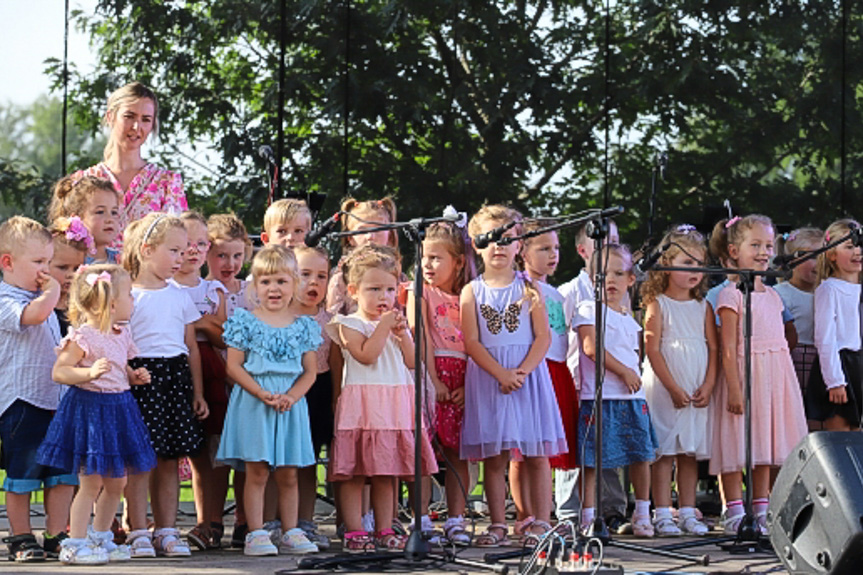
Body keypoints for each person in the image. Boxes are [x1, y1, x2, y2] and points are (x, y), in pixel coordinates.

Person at [36, 264, 157, 564]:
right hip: (91, 411)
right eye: (129, 294)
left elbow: (118, 368)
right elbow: (60, 371)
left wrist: (132, 376)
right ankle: (74, 543)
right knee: (91, 481)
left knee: (118, 481)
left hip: (119, 408)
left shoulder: (121, 333)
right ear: (111, 303)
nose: (133, 299)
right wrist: (88, 372)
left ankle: (100, 537)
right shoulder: (83, 338)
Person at [460, 205, 566, 548]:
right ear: (476, 244)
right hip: (491, 379)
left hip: (528, 378)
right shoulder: (471, 292)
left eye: (507, 240)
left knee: (536, 455)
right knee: (496, 457)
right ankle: (497, 522)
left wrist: (521, 372)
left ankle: (542, 522)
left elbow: (543, 337)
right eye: (489, 239)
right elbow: (472, 341)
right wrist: (500, 373)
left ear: (519, 244)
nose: (499, 247)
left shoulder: (529, 287)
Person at [326, 244, 438, 552]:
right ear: (353, 291)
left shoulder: (395, 324)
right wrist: (385, 328)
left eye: (389, 289)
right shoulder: (348, 324)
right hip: (362, 409)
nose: (383, 297)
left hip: (393, 408)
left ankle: (385, 526)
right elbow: (365, 355)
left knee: (387, 473)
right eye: (374, 289)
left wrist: (402, 336)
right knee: (354, 473)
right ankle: (354, 529)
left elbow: (413, 362)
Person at [217, 245, 323, 556]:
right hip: (255, 401)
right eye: (265, 282)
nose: (273, 289)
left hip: (290, 404)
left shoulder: (304, 325)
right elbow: (233, 365)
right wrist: (261, 392)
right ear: (255, 286)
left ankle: (291, 530)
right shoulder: (244, 321)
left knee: (289, 472)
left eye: (280, 281)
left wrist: (292, 396)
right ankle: (256, 531)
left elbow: (310, 372)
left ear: (294, 284)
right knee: (258, 470)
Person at [710, 214, 807, 535]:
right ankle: (734, 509)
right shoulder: (731, 295)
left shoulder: (774, 294)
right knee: (737, 440)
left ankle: (762, 506)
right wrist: (735, 390)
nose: (765, 251)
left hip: (774, 377)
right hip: (744, 374)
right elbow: (727, 348)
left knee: (766, 441)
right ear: (734, 251)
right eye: (756, 245)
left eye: (769, 245)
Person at [121, 212, 209, 557]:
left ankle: (167, 529)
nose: (182, 257)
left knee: (170, 459)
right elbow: (120, 342)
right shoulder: (128, 293)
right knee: (141, 459)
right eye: (173, 251)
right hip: (142, 380)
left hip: (175, 380)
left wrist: (198, 392)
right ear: (146, 249)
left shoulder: (179, 295)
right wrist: (128, 373)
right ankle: (139, 529)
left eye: (184, 250)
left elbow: (191, 348)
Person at [0, 216, 77, 562]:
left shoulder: (42, 296)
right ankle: (19, 536)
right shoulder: (7, 298)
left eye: (48, 262)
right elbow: (29, 317)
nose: (45, 270)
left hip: (54, 400)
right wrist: (54, 291)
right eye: (38, 262)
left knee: (60, 473)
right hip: (21, 401)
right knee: (24, 472)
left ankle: (56, 533)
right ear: (7, 262)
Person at [575, 244, 659, 538]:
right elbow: (591, 347)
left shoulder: (628, 317)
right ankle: (588, 517)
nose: (609, 280)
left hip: (632, 399)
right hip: (600, 398)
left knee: (640, 455)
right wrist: (623, 371)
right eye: (602, 275)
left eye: (617, 273)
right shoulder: (588, 308)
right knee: (593, 460)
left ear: (631, 279)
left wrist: (632, 374)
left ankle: (642, 513)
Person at [640, 225, 717, 537]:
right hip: (665, 387)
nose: (694, 270)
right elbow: (652, 347)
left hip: (697, 386)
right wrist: (672, 387)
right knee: (665, 452)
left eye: (699, 264)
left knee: (689, 452)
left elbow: (714, 347)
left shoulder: (704, 306)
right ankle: (662, 512)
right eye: (686, 263)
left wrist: (710, 384)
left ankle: (687, 511)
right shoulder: (658, 303)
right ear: (666, 264)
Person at [405, 220, 476, 546]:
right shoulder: (419, 293)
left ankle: (456, 518)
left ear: (459, 261)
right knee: (423, 448)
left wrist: (469, 385)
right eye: (424, 258)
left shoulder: (469, 295)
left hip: (463, 376)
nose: (428, 265)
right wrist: (432, 378)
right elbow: (422, 338)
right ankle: (420, 519)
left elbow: (477, 342)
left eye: (437, 258)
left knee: (457, 452)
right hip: (429, 373)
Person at [555, 221, 628, 530]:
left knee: (608, 446)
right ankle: (570, 513)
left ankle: (612, 509)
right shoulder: (569, 292)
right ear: (583, 250)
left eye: (614, 239)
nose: (608, 245)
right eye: (600, 240)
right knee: (579, 448)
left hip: (612, 382)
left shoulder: (620, 292)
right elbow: (564, 338)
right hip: (579, 379)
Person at [513, 221, 577, 543]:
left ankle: (544, 513)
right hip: (532, 370)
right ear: (522, 251)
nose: (553, 255)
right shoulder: (520, 287)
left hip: (556, 368)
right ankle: (526, 515)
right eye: (543, 248)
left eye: (555, 248)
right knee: (521, 451)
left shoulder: (556, 292)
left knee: (544, 450)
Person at [171, 212, 231, 550]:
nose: (193, 251)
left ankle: (210, 521)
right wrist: (202, 323)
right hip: (170, 365)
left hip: (208, 367)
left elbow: (220, 336)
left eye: (200, 244)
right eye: (185, 245)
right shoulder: (163, 286)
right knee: (165, 449)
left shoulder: (213, 289)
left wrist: (202, 324)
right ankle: (142, 520)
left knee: (210, 448)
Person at [71, 82, 187, 243]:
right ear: (110, 116)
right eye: (129, 116)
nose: (136, 126)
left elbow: (178, 245)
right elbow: (69, 245)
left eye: (145, 119)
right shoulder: (83, 181)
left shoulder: (167, 183)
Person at [290, 245, 342, 550]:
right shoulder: (281, 316)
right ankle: (276, 522)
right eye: (305, 274)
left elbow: (335, 363)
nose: (314, 283)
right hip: (287, 391)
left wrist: (336, 397)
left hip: (320, 391)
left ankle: (306, 521)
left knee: (308, 461)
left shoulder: (330, 320)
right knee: (282, 462)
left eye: (321, 276)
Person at [808, 219, 863, 432]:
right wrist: (835, 381)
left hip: (858, 364)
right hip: (839, 365)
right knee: (841, 437)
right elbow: (825, 338)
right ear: (832, 255)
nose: (857, 251)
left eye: (860, 244)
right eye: (849, 246)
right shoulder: (830, 289)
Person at [773, 227, 823, 426]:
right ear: (792, 261)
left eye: (822, 256)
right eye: (811, 257)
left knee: (817, 415)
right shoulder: (780, 293)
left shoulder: (826, 291)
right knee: (796, 414)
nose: (818, 264)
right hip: (795, 358)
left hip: (822, 359)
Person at [326, 197, 400, 316]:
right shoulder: (341, 278)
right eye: (362, 230)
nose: (370, 236)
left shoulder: (398, 276)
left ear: (390, 235)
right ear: (350, 238)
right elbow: (332, 320)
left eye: (378, 229)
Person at [49, 176, 122, 264]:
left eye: (114, 212)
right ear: (76, 218)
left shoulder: (122, 260)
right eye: (100, 212)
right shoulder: (70, 262)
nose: (110, 219)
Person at [47, 217, 91, 336]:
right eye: (62, 267)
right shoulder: (37, 305)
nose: (71, 275)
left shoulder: (82, 306)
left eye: (77, 268)